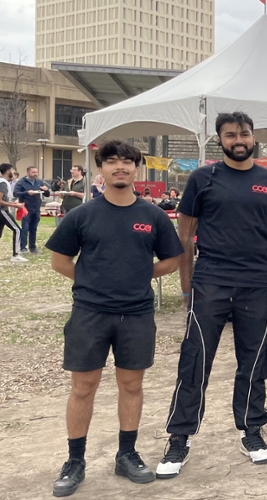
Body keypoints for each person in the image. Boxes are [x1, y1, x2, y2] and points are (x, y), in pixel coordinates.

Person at [157, 112, 267, 478]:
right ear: (220, 139)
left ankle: (251, 431)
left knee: (255, 361)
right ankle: (179, 438)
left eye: (244, 134)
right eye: (231, 134)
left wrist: (254, 258)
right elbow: (185, 237)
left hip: (257, 283)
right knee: (195, 360)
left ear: (253, 138)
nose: (239, 139)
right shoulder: (203, 178)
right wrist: (186, 288)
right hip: (210, 282)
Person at [46, 140, 183, 497]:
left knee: (132, 385)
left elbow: (172, 259)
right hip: (90, 313)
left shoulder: (151, 216)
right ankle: (75, 461)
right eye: (112, 162)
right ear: (101, 169)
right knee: (83, 387)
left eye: (127, 162)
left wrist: (139, 274)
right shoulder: (82, 215)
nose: (119, 167)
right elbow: (60, 260)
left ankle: (127, 454)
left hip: (136, 313)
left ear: (136, 169)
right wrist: (93, 281)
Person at [13, 166, 50, 254]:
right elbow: (15, 193)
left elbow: (47, 195)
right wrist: (27, 192)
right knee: (25, 228)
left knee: (34, 229)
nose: (35, 174)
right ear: (28, 172)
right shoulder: (21, 182)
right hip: (26, 208)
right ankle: (23, 248)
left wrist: (46, 190)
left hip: (36, 208)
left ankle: (33, 247)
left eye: (36, 172)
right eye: (33, 172)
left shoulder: (39, 181)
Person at [0, 163, 27, 262]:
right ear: (8, 171)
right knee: (17, 230)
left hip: (3, 210)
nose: (13, 172)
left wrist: (13, 203)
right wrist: (15, 205)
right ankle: (15, 255)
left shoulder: (4, 182)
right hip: (2, 211)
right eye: (12, 170)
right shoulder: (3, 183)